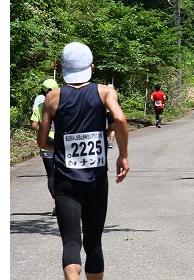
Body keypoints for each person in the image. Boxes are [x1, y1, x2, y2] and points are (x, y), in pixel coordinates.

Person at [37, 42, 129, 280]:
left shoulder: (52, 98)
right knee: (93, 242)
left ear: (62, 67)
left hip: (65, 181)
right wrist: (123, 155)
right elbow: (119, 118)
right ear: (92, 66)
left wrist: (60, 148)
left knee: (70, 241)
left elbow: (42, 141)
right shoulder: (105, 92)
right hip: (95, 180)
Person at [31, 78, 59, 216]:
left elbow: (34, 126)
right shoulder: (61, 105)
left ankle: (57, 203)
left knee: (51, 175)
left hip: (46, 144)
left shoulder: (39, 106)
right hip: (60, 143)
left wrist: (42, 129)